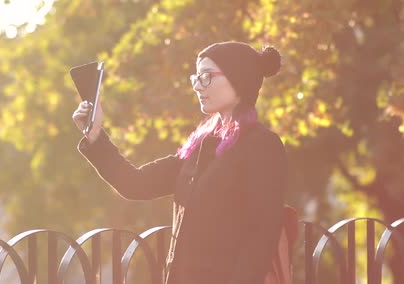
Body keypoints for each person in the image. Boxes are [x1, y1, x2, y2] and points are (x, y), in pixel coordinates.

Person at [72, 41, 289, 283]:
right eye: (196, 76)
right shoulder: (199, 147)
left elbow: (262, 234)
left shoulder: (261, 145)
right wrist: (95, 136)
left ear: (238, 78)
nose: (197, 85)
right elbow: (135, 184)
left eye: (206, 76)